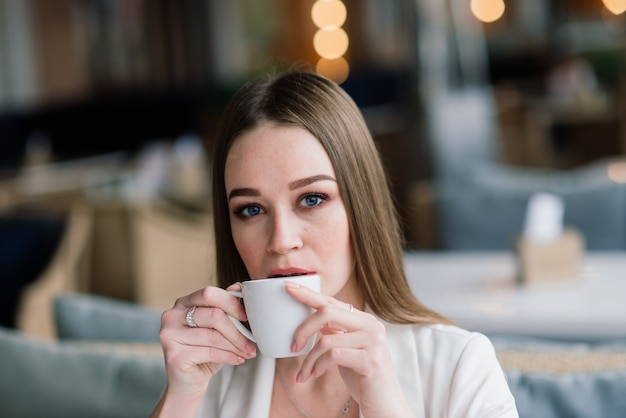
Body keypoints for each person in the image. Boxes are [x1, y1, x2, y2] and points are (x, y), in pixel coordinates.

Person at [151, 70, 518, 418]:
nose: (281, 241)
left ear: (361, 205)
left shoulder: (461, 367)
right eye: (251, 209)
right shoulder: (211, 378)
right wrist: (177, 400)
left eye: (311, 199)